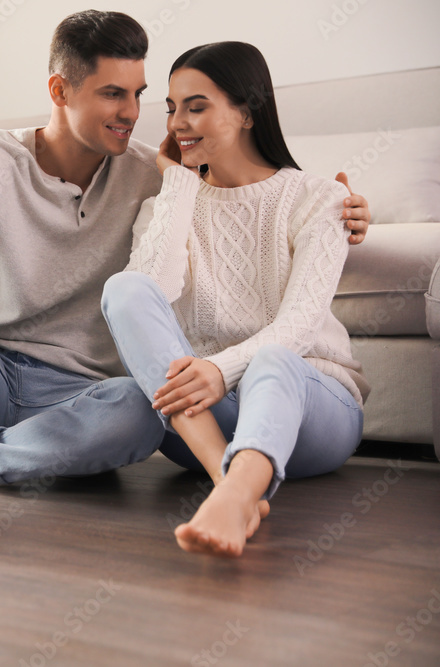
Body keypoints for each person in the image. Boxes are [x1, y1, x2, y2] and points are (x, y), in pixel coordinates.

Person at [0, 11, 371, 538]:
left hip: (85, 401)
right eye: (112, 94)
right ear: (60, 91)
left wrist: (346, 211)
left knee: (142, 407)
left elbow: (249, 200)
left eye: (139, 96)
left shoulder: (156, 174)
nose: (135, 113)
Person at [101, 41, 370, 557]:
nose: (178, 122)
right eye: (172, 108)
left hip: (313, 411)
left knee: (274, 358)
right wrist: (178, 183)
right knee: (124, 287)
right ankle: (227, 476)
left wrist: (220, 369)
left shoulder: (319, 199)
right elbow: (147, 296)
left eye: (196, 106)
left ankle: (238, 492)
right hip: (204, 417)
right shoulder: (165, 207)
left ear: (246, 111)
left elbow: (301, 328)